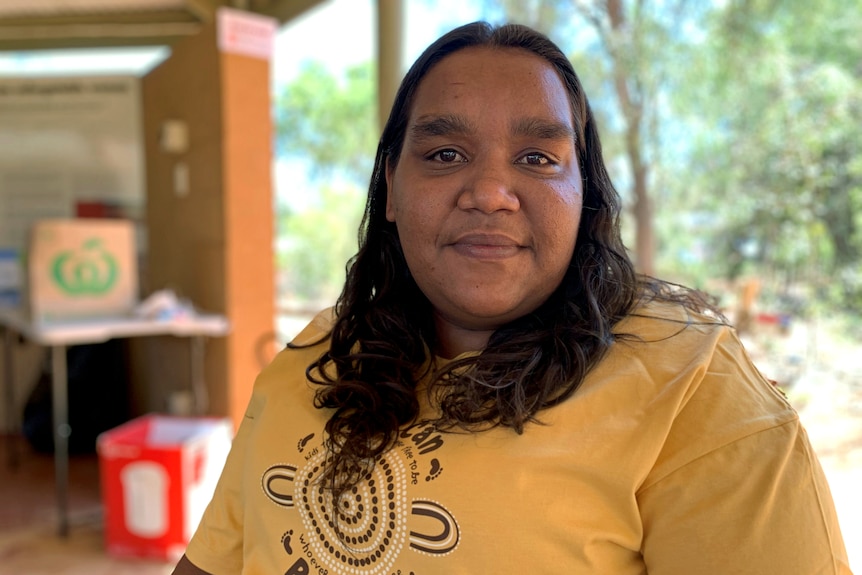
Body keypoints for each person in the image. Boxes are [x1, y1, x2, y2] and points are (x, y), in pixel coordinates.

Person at [172, 21, 852, 574]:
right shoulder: (314, 356)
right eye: (444, 154)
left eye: (537, 159)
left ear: (585, 197)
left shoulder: (696, 390)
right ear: (389, 186)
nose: (490, 192)